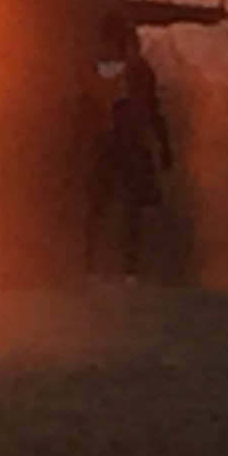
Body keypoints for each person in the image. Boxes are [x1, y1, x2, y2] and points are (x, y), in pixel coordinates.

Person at [80, 16, 177, 278]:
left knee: (110, 207)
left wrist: (163, 143)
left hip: (120, 143)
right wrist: (163, 144)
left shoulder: (128, 71)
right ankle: (106, 268)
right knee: (111, 207)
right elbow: (151, 109)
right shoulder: (131, 71)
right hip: (120, 144)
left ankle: (112, 268)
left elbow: (151, 108)